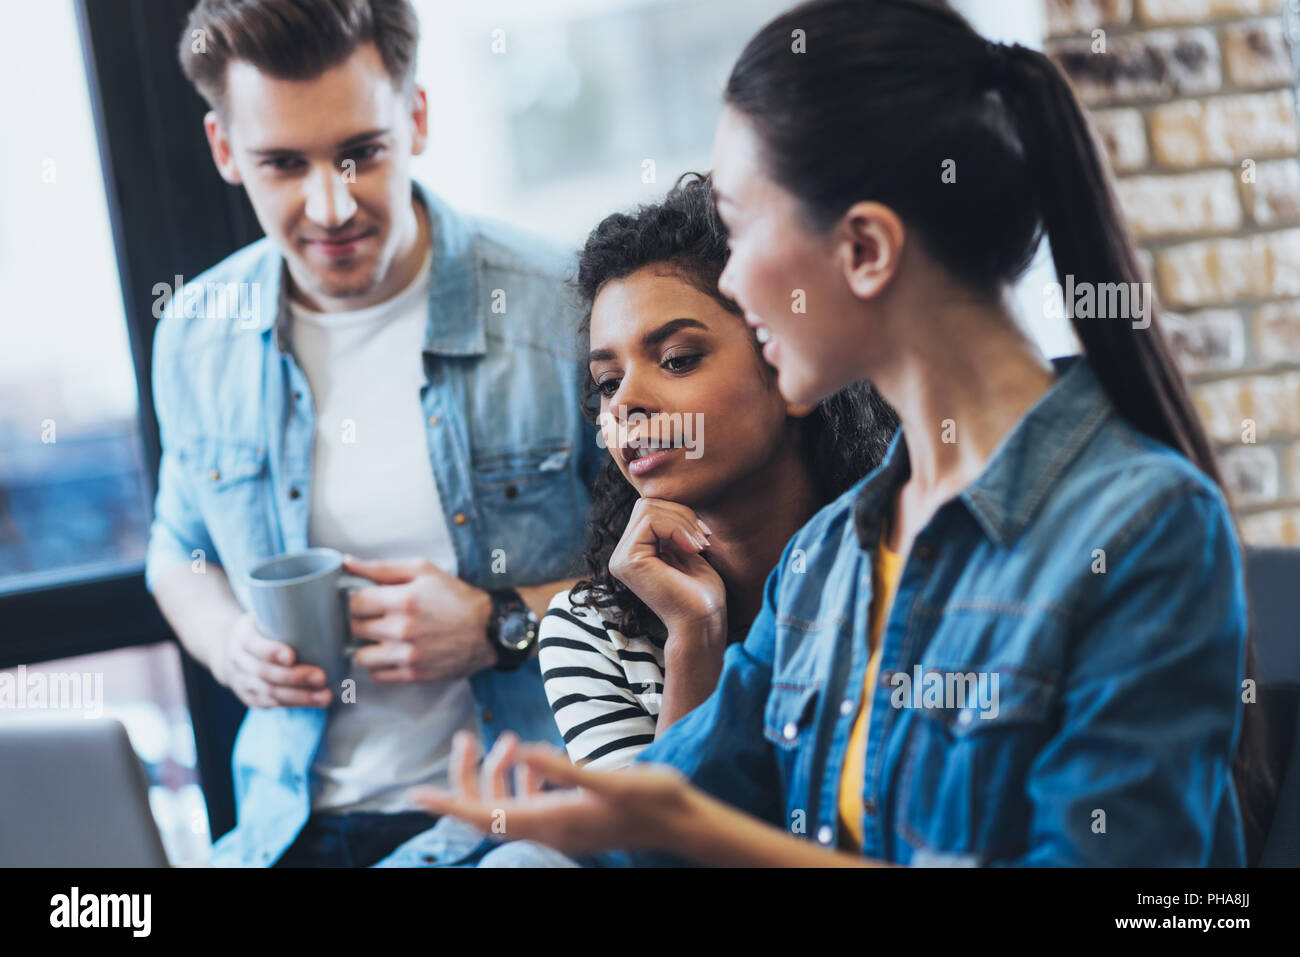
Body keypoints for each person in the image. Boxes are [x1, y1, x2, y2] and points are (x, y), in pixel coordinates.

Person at [412, 0, 1277, 867]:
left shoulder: (1144, 531)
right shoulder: (827, 559)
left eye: (742, 230)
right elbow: (674, 812)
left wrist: (698, 833)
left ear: (864, 249)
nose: (735, 281)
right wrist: (570, 814)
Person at [147, 0, 599, 867]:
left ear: (416, 118)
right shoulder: (196, 333)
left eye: (361, 152)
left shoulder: (560, 308)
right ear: (224, 152)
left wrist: (505, 622)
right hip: (285, 828)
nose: (330, 205)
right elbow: (179, 548)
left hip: (519, 823)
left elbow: (678, 574)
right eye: (283, 163)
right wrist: (227, 643)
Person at [538, 174, 897, 770]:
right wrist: (694, 636)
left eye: (677, 360)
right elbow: (661, 859)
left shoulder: (907, 559)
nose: (624, 404)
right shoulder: (593, 632)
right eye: (608, 382)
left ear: (789, 366)